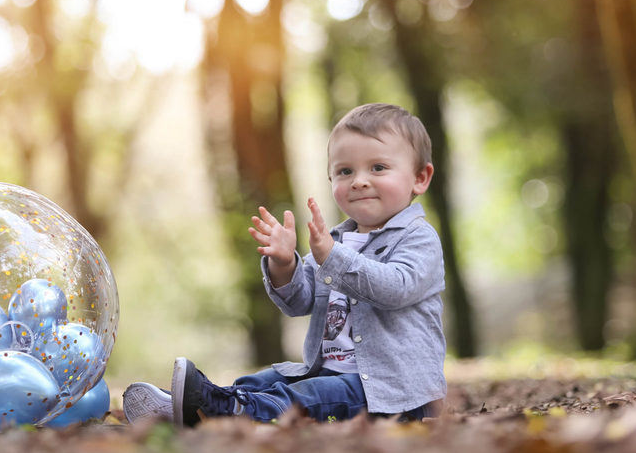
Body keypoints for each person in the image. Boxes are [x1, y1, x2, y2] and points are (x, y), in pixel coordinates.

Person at [122, 103, 447, 426]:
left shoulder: (418, 238)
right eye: (345, 171)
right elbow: (299, 301)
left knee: (305, 397)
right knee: (264, 380)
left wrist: (331, 256)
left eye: (378, 167)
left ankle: (225, 411)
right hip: (331, 375)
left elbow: (395, 288)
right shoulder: (336, 240)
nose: (359, 181)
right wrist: (283, 263)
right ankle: (199, 405)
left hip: (392, 392)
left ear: (420, 178)